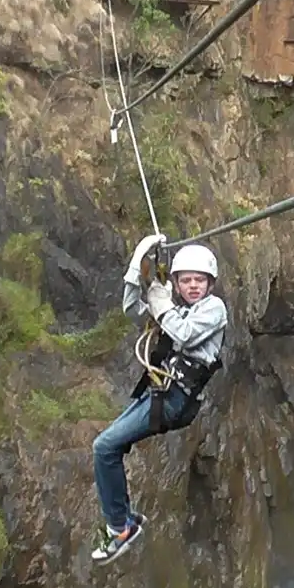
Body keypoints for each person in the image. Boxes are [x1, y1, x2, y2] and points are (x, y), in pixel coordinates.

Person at [90, 234, 228, 564]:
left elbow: (182, 333)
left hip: (174, 402)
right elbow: (131, 309)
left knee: (104, 447)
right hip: (159, 393)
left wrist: (162, 301)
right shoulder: (175, 309)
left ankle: (120, 527)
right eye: (186, 280)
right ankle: (125, 520)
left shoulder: (214, 309)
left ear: (210, 283)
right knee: (106, 447)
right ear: (177, 283)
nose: (193, 286)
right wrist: (137, 269)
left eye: (199, 280)